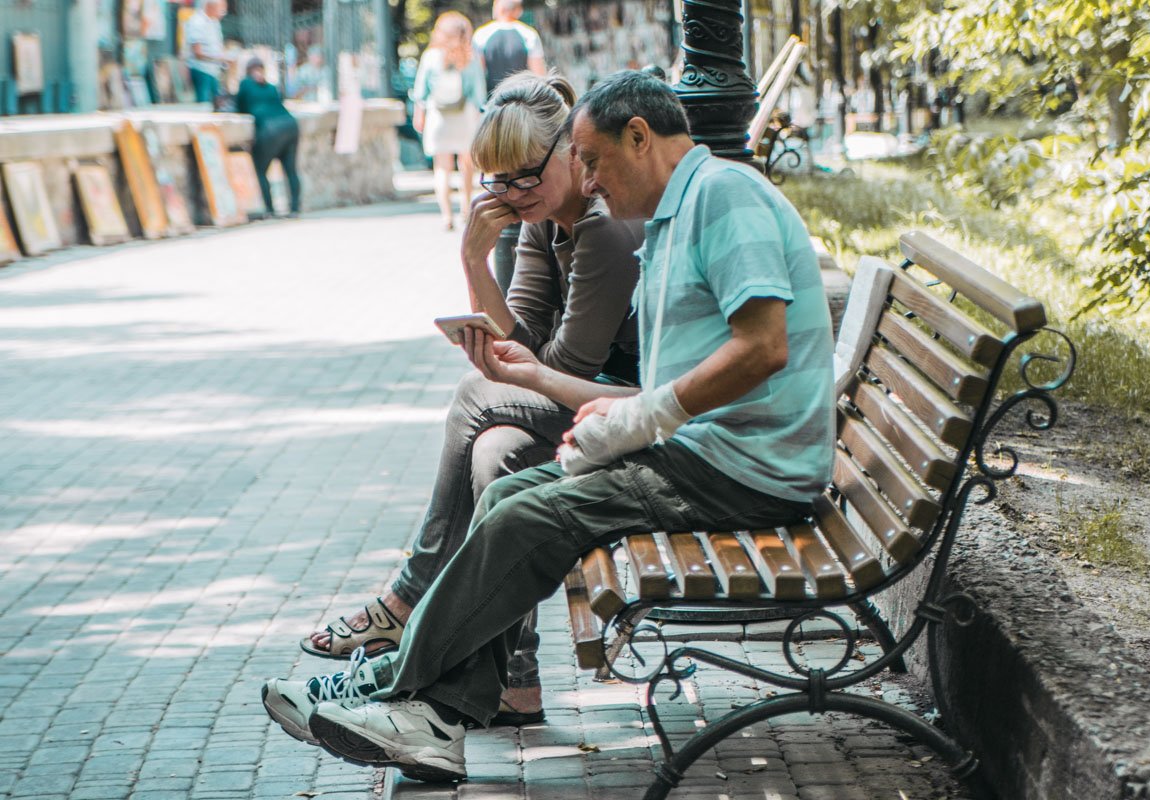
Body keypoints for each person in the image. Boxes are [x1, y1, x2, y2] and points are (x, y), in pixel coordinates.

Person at [261, 69, 833, 783]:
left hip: (745, 468)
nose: (588, 181)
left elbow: (764, 348)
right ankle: (436, 715)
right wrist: (596, 401)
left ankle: (392, 689)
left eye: (592, 160)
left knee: (527, 516)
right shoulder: (676, 214)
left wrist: (640, 416)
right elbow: (659, 384)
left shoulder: (724, 196)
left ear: (639, 136)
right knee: (507, 493)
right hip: (708, 454)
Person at [270, 71, 642, 734]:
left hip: (622, 410)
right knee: (496, 455)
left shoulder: (602, 232)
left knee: (475, 397)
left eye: (525, 177)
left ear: (569, 152)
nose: (512, 195)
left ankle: (408, 597)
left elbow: (560, 369)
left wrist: (506, 363)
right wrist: (474, 259)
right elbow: (519, 339)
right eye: (498, 182)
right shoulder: (541, 223)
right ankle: (515, 683)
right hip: (576, 409)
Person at [412, 12, 488, 231]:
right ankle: (465, 208)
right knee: (466, 164)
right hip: (465, 116)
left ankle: (446, 215)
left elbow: (421, 91)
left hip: (438, 116)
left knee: (442, 167)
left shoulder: (430, 56)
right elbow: (479, 94)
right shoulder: (470, 57)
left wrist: (419, 115)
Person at [235, 57, 302, 218]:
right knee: (291, 170)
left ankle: (270, 209)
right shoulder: (271, 87)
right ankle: (294, 208)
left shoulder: (245, 84)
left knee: (260, 169)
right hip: (290, 125)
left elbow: (239, 107)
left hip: (270, 129)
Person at [473, 0, 546, 97]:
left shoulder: (481, 34)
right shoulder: (529, 34)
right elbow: (539, 75)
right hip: (521, 99)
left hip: (493, 99)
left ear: (499, 8)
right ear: (518, 10)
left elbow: (478, 74)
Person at [184, 0, 234, 103]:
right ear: (210, 6)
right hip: (201, 70)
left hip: (213, 71)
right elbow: (197, 53)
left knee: (216, 103)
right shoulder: (197, 22)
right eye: (221, 9)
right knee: (204, 104)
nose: (223, 13)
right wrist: (220, 58)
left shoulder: (214, 22)